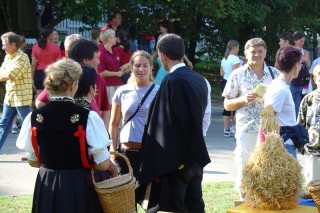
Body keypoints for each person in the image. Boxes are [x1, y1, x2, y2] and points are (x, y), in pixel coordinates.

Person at [16, 58, 118, 213]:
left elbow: (32, 161)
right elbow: (103, 164)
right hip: (78, 184)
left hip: (47, 182)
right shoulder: (88, 116)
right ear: (72, 85)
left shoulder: (34, 117)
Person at [136, 34, 211, 213]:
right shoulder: (201, 80)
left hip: (175, 163)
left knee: (173, 208)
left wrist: (154, 165)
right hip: (195, 158)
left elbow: (161, 125)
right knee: (194, 206)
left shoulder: (171, 81)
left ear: (162, 55)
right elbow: (204, 118)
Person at [222, 38, 280, 200]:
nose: (256, 54)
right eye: (253, 51)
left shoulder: (275, 74)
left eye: (260, 51)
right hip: (247, 128)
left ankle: (266, 201)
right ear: (246, 53)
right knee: (245, 165)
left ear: (265, 53)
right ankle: (245, 202)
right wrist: (243, 99)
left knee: (269, 167)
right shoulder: (237, 74)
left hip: (269, 129)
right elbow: (227, 104)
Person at [109, 51, 159, 178]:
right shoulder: (122, 91)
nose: (141, 69)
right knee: (126, 196)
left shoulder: (159, 92)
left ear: (151, 67)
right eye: (137, 65)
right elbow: (114, 124)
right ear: (131, 68)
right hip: (126, 153)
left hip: (149, 153)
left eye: (145, 65)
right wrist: (113, 151)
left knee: (148, 195)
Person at [264, 46, 302, 158]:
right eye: (300, 64)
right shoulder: (280, 89)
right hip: (282, 146)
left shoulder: (282, 86)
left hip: (285, 144)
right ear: (296, 65)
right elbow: (268, 119)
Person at [0, 32, 33, 152]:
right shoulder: (8, 57)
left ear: (14, 45)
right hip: (10, 97)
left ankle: (37, 153)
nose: (3, 47)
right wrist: (6, 74)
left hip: (21, 97)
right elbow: (3, 74)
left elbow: (11, 75)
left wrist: (6, 74)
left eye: (5, 44)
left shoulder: (22, 57)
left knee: (29, 127)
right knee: (3, 125)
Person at [298, 64, 320, 187]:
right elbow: (300, 125)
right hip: (313, 151)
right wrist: (303, 148)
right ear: (315, 80)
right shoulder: (308, 99)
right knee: (313, 190)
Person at [152, 20, 193, 85]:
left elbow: (179, 50)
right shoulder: (160, 36)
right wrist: (150, 58)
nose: (160, 27)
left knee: (158, 82)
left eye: (162, 26)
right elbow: (157, 50)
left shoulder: (171, 38)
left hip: (167, 62)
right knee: (167, 82)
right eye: (160, 26)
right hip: (161, 62)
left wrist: (188, 61)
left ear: (167, 28)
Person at [31, 27, 61, 97]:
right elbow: (59, 63)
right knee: (52, 96)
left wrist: (31, 78)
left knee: (39, 95)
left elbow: (33, 64)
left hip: (39, 74)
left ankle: (38, 108)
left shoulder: (35, 47)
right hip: (51, 73)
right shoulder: (56, 47)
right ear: (50, 35)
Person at [97, 29, 125, 104]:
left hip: (118, 84)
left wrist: (127, 68)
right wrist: (116, 73)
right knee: (110, 107)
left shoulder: (115, 51)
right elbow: (101, 72)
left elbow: (120, 66)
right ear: (109, 38)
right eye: (114, 36)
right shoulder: (101, 54)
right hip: (108, 85)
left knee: (119, 107)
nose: (116, 38)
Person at [220, 40, 240, 137]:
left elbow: (221, 74)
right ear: (234, 47)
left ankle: (227, 130)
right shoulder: (235, 59)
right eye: (238, 48)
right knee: (236, 106)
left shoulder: (224, 58)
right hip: (232, 83)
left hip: (224, 82)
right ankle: (236, 128)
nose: (238, 50)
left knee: (227, 106)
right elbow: (237, 73)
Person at [290, 32, 311, 115]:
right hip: (292, 79)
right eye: (300, 41)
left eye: (303, 41)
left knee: (298, 101)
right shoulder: (291, 50)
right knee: (291, 100)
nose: (302, 43)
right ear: (295, 40)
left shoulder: (305, 52)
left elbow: (308, 64)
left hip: (302, 80)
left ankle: (296, 120)